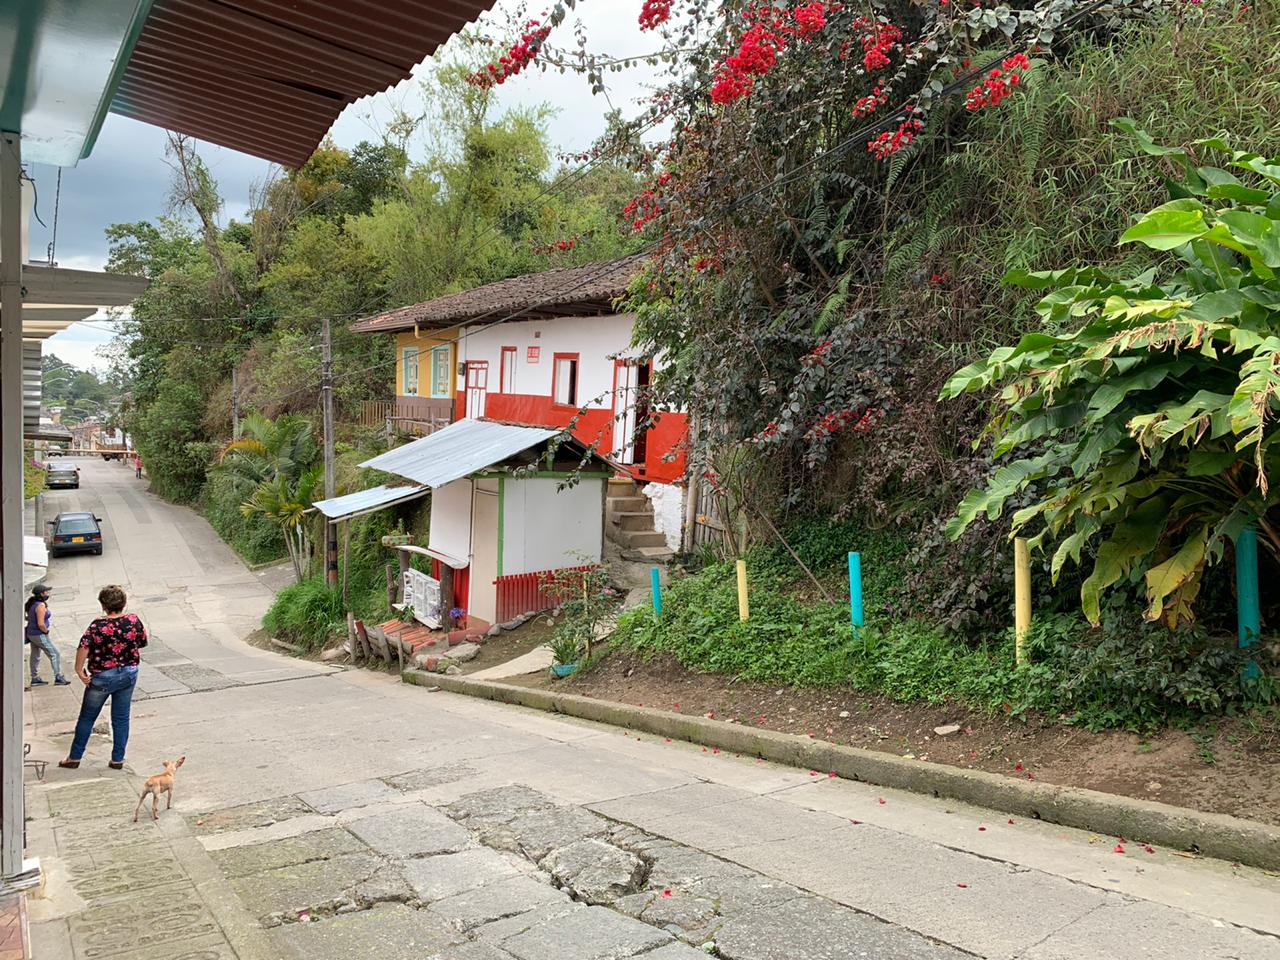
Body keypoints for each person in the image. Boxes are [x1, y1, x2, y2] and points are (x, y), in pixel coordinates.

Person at [58, 585, 148, 771]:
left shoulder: (97, 625)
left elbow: (84, 647)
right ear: (123, 603)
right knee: (121, 717)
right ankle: (117, 759)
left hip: (102, 676)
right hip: (128, 673)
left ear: (103, 605)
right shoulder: (133, 620)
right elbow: (142, 642)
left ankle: (74, 757)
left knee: (87, 717)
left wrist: (79, 669)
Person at [25, 585, 69, 686]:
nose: (48, 593)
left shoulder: (32, 604)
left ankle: (34, 677)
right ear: (41, 594)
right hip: (39, 634)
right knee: (55, 653)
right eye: (46, 592)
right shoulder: (40, 606)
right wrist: (46, 631)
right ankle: (58, 677)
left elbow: (29, 618)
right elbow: (41, 623)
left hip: (31, 633)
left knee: (35, 655)